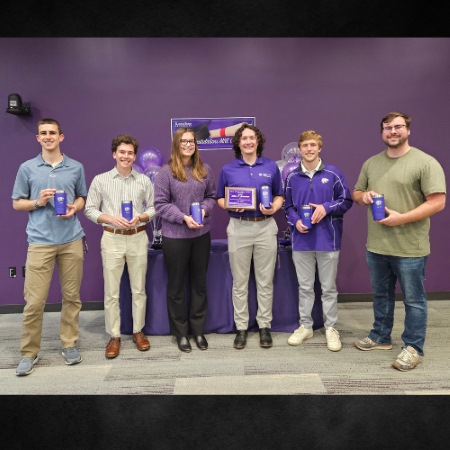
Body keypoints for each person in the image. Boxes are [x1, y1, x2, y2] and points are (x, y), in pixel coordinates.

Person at [352, 112, 446, 371]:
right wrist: (365, 196)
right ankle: (381, 336)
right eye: (387, 128)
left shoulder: (425, 162)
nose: (392, 132)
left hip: (409, 248)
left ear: (408, 130)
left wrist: (402, 218)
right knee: (381, 295)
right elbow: (356, 193)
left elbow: (438, 201)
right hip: (377, 245)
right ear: (381, 132)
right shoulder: (371, 163)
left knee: (414, 300)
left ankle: (413, 347)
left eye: (398, 127)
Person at [12, 118, 87, 376]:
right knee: (34, 302)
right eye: (43, 133)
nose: (48, 137)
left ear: (61, 137)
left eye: (52, 133)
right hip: (40, 242)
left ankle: (69, 344)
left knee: (71, 298)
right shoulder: (28, 168)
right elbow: (16, 203)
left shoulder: (75, 167)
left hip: (71, 240)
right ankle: (29, 352)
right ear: (38, 138)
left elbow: (81, 198)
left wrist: (74, 208)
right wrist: (38, 201)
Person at [84, 134, 155, 359]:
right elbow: (89, 209)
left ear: (135, 156)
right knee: (111, 292)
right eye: (122, 152)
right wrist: (109, 219)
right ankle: (114, 336)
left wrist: (141, 216)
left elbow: (154, 208)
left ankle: (138, 331)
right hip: (112, 238)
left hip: (137, 236)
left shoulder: (144, 180)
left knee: (138, 289)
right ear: (114, 154)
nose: (126, 156)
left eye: (130, 153)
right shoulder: (100, 180)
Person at [284, 130, 353, 352]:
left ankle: (331, 327)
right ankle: (306, 326)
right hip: (301, 240)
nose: (309, 149)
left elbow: (346, 200)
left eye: (313, 145)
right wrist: (295, 222)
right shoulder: (292, 177)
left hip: (328, 240)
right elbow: (288, 207)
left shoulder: (333, 174)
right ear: (300, 149)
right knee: (305, 287)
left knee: (328, 288)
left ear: (319, 148)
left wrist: (326, 207)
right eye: (305, 145)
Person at [216, 123, 284, 349]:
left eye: (251, 138)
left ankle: (265, 326)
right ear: (238, 143)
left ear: (258, 141)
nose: (248, 142)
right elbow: (219, 199)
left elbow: (279, 196)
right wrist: (231, 206)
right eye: (243, 138)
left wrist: (273, 208)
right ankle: (242, 327)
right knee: (240, 282)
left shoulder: (271, 166)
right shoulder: (228, 169)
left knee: (265, 282)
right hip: (239, 227)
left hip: (265, 227)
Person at [153, 128, 216, 353]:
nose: (188, 145)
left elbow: (211, 197)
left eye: (191, 141)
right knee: (177, 287)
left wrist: (205, 211)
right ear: (176, 144)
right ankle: (181, 333)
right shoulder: (165, 172)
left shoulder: (204, 169)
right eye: (184, 141)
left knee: (199, 285)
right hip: (175, 237)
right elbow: (160, 204)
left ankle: (198, 331)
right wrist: (183, 218)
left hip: (201, 235)